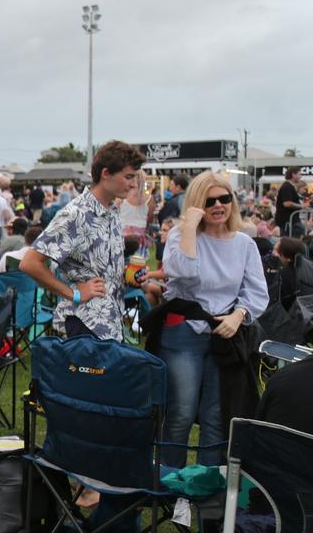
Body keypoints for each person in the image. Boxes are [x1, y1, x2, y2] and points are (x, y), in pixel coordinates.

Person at [157, 171, 268, 467]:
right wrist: (190, 227)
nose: (218, 205)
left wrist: (239, 315)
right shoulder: (182, 236)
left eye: (224, 198)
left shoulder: (244, 243)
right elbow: (184, 273)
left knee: (216, 416)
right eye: (209, 200)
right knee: (180, 413)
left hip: (225, 335)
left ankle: (206, 491)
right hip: (184, 333)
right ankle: (172, 490)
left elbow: (257, 292)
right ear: (196, 204)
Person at [21, 140, 146, 342]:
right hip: (85, 323)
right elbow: (29, 263)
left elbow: (99, 266)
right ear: (106, 174)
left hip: (109, 321)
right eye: (129, 177)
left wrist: (128, 276)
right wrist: (74, 294)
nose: (133, 184)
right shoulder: (75, 214)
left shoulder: (111, 210)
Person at [118, 170, 156, 251]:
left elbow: (115, 215)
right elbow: (150, 218)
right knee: (138, 262)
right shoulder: (149, 198)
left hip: (122, 234)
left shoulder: (121, 196)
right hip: (139, 235)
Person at [275, 166, 308, 236]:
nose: (300, 176)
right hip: (288, 221)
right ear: (293, 174)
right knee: (291, 241)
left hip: (291, 221)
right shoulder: (287, 187)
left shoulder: (289, 186)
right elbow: (287, 203)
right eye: (299, 174)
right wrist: (302, 206)